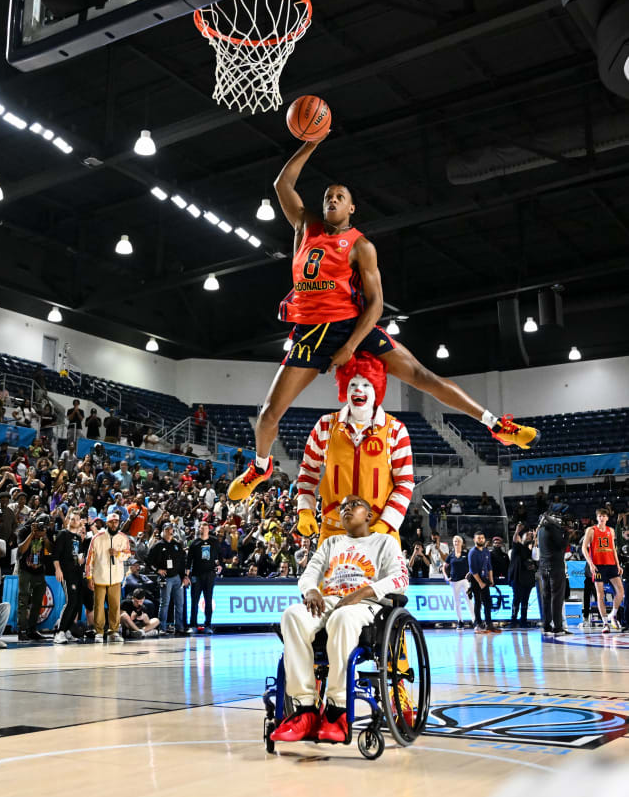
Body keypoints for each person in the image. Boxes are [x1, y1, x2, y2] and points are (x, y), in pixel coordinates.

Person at [227, 136, 539, 501]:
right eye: (328, 195)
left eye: (340, 197)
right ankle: (262, 466)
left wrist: (350, 346)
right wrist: (311, 142)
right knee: (267, 415)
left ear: (352, 208)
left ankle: (495, 424)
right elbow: (283, 183)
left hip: (350, 326)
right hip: (309, 334)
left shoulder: (361, 246)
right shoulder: (304, 226)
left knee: (423, 376)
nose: (332, 199)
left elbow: (376, 305)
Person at [270, 495, 408, 744]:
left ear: (369, 515)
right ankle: (305, 710)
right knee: (292, 614)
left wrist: (364, 591)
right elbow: (309, 573)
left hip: (367, 604)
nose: (346, 509)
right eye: (343, 506)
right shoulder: (332, 542)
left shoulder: (384, 542)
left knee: (342, 617)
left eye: (353, 505)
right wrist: (311, 590)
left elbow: (401, 580)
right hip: (331, 600)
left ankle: (337, 710)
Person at [294, 352, 414, 547]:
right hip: (334, 530)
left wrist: (386, 523)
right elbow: (308, 472)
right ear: (344, 389)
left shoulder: (396, 430)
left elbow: (405, 483)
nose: (359, 389)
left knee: (386, 579)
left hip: (380, 531)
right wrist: (305, 510)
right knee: (325, 578)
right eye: (352, 384)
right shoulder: (325, 425)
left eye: (366, 384)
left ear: (377, 389)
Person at [85, 512, 131, 643]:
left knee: (115, 606)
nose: (114, 524)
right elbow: (89, 559)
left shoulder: (123, 538)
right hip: (99, 578)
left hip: (116, 578)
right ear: (107, 523)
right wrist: (89, 577)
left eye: (116, 522)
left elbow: (128, 555)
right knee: (98, 606)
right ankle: (99, 632)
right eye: (111, 522)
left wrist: (118, 554)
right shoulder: (97, 537)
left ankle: (113, 631)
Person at [582, 508, 624, 633]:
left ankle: (613, 614)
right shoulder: (591, 530)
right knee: (600, 594)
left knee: (620, 591)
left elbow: (613, 549)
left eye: (604, 516)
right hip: (598, 565)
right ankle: (605, 623)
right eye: (599, 516)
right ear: (597, 518)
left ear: (607, 518)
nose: (601, 518)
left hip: (611, 564)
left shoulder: (611, 531)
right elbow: (584, 548)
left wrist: (618, 565)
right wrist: (590, 563)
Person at [17, 513, 53, 641]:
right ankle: (21, 630)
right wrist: (32, 534)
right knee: (23, 600)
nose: (41, 528)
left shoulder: (46, 532)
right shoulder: (24, 530)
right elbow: (20, 550)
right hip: (25, 570)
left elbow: (50, 550)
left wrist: (45, 537)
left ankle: (32, 630)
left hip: (39, 572)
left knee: (37, 601)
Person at [148, 522, 188, 635]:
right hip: (166, 578)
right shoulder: (158, 545)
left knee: (180, 603)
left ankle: (179, 627)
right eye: (168, 529)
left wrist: (184, 576)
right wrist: (157, 570)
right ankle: (162, 627)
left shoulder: (177, 544)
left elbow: (182, 562)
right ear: (163, 531)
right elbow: (148, 561)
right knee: (165, 603)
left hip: (177, 577)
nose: (170, 532)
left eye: (171, 529)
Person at [52, 509, 85, 644]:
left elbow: (79, 556)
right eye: (71, 519)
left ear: (80, 522)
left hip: (77, 573)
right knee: (70, 601)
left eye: (76, 519)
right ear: (68, 520)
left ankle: (67, 630)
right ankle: (59, 631)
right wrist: (58, 570)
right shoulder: (63, 534)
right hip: (66, 573)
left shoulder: (78, 538)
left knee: (77, 603)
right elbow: (55, 555)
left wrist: (81, 561)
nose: (74, 521)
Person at [537, 512, 569, 636]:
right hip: (555, 567)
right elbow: (562, 546)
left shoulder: (541, 530)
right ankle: (558, 627)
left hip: (543, 566)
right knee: (557, 598)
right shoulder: (552, 529)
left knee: (547, 597)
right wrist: (566, 533)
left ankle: (546, 625)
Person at [186, 522, 220, 635]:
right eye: (202, 527)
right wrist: (187, 575)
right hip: (197, 574)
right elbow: (189, 560)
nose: (204, 529)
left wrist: (219, 565)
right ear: (199, 529)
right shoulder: (194, 543)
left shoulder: (214, 541)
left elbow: (219, 557)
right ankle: (193, 625)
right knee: (194, 600)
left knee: (208, 600)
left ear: (208, 529)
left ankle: (208, 625)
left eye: (206, 528)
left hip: (210, 575)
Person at [468, 531, 501, 634]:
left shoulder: (486, 551)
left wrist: (491, 579)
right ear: (474, 540)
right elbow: (473, 570)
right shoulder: (472, 552)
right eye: (478, 538)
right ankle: (478, 624)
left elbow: (489, 566)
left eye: (482, 538)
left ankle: (489, 624)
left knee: (487, 602)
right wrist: (480, 583)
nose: (480, 540)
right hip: (475, 580)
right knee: (478, 602)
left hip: (485, 579)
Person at [443, 535, 474, 629]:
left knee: (469, 600)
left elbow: (472, 565)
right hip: (454, 581)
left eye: (458, 541)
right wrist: (445, 576)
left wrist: (469, 573)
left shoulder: (466, 553)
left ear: (462, 543)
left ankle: (474, 620)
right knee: (457, 602)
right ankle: (460, 621)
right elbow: (444, 566)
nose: (456, 543)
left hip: (465, 581)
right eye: (455, 541)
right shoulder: (451, 555)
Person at [508, 523, 536, 628]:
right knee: (517, 599)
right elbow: (515, 539)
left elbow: (536, 553)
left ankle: (523, 620)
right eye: (527, 535)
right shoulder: (517, 547)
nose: (529, 536)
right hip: (517, 578)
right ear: (522, 537)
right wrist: (517, 531)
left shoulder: (532, 551)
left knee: (525, 600)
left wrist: (535, 536)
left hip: (528, 579)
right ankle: (513, 620)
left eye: (531, 536)